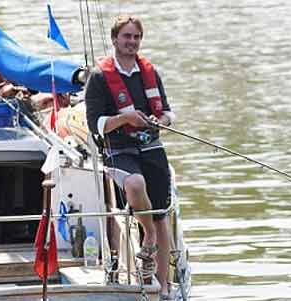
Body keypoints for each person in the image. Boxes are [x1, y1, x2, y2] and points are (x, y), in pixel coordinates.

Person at [84, 15, 175, 298]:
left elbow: (168, 112)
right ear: (114, 39)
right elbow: (96, 124)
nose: (131, 42)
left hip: (150, 146)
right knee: (135, 184)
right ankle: (145, 234)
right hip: (118, 149)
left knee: (161, 216)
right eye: (126, 36)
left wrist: (161, 120)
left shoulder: (150, 72)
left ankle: (164, 287)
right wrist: (125, 120)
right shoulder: (99, 77)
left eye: (136, 37)